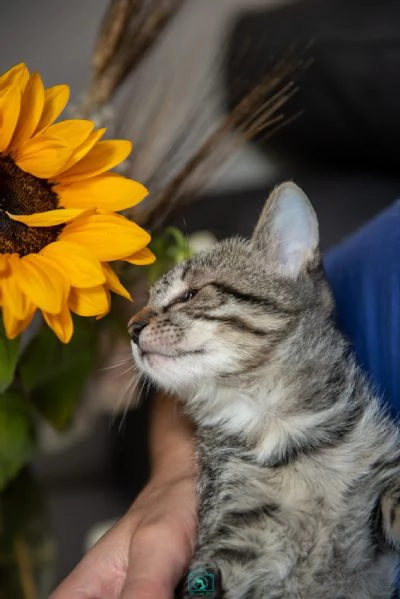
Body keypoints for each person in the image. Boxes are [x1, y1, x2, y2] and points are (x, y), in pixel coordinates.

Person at [51, 200, 400, 599]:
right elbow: (208, 580)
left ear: (288, 268)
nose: (140, 323)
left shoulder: (362, 439)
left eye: (189, 295)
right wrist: (175, 479)